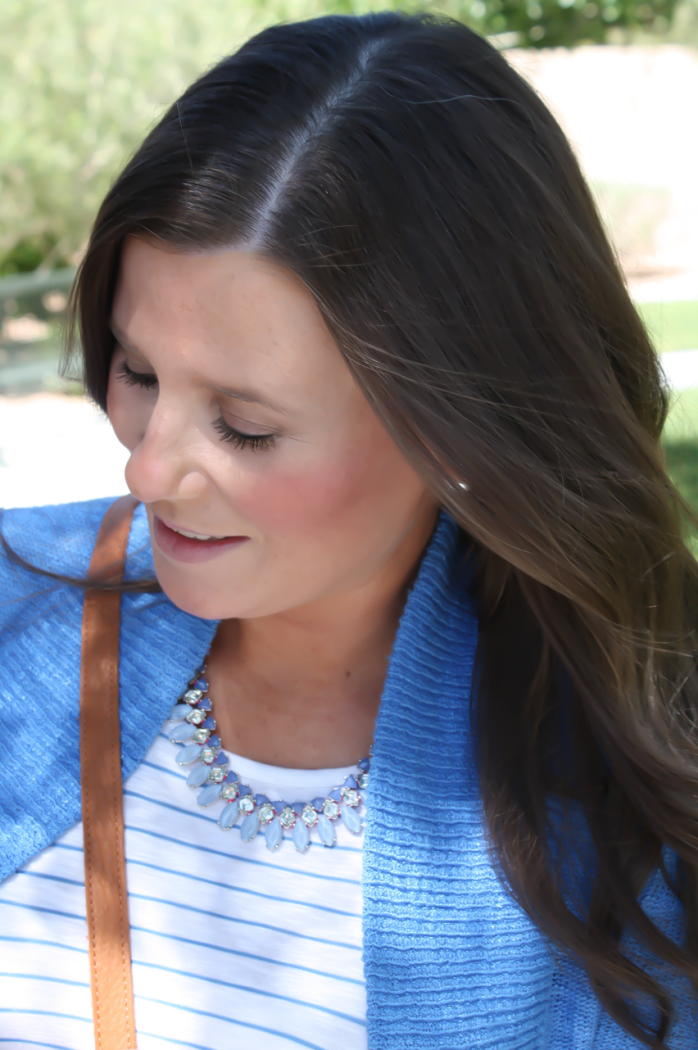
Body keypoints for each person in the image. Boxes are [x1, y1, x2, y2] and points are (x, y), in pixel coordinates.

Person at [1, 10, 697, 1050]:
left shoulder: (637, 777)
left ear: (459, 423)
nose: (147, 468)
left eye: (245, 426)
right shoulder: (22, 612)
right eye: (137, 371)